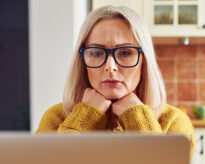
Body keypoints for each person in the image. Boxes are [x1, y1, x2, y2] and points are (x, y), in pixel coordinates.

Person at [36, 6, 195, 157]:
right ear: (82, 62)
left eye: (125, 52)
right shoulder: (56, 117)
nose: (110, 67)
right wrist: (85, 117)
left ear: (144, 61)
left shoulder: (173, 120)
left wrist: (137, 119)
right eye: (96, 52)